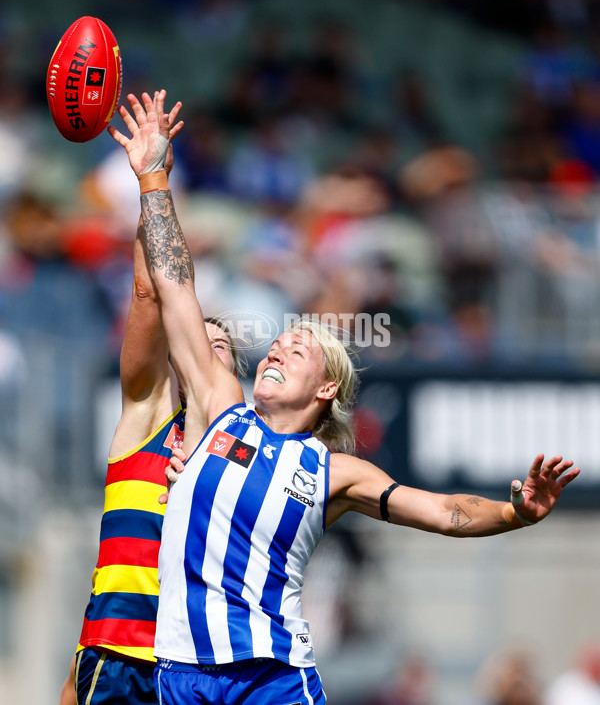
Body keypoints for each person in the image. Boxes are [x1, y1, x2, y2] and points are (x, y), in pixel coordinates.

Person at [110, 89, 580, 705]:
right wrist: (153, 177)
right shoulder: (220, 408)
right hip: (180, 673)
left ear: (327, 387)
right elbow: (174, 289)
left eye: (297, 350)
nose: (275, 352)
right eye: (276, 346)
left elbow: (446, 513)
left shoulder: (335, 472)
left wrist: (515, 513)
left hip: (274, 678)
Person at [58, 114, 241, 705]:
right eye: (200, 342)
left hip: (203, 667)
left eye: (224, 349)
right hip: (116, 660)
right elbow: (149, 294)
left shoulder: (252, 456)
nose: (208, 353)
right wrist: (152, 179)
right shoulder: (146, 416)